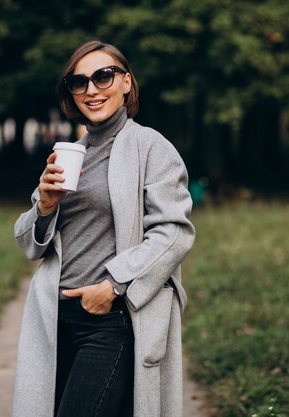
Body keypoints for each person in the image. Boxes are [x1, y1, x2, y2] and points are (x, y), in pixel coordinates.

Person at [11, 40, 195, 417]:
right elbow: (29, 243)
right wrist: (44, 207)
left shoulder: (151, 147)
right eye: (79, 82)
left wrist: (112, 286)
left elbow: (173, 233)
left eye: (103, 76)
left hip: (111, 318)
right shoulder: (70, 154)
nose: (91, 90)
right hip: (57, 319)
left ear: (127, 82)